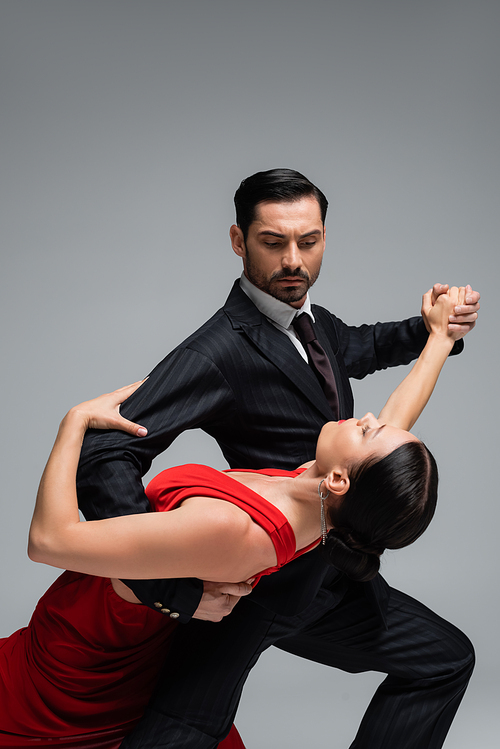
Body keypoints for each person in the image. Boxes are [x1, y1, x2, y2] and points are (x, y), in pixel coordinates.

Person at [74, 169, 479, 749]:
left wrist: (439, 328)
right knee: (183, 731)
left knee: (444, 660)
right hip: (251, 587)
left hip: (332, 580)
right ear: (239, 241)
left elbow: (366, 345)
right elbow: (106, 450)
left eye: (309, 241)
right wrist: (170, 582)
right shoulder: (217, 350)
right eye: (273, 243)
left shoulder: (314, 325)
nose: (294, 260)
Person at [0, 285, 463, 747]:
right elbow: (394, 427)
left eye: (368, 431)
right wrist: (439, 340)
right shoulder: (317, 493)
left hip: (99, 630)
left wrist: (73, 422)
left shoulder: (237, 529)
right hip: (104, 601)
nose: (367, 415)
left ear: (341, 481)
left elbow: (47, 542)